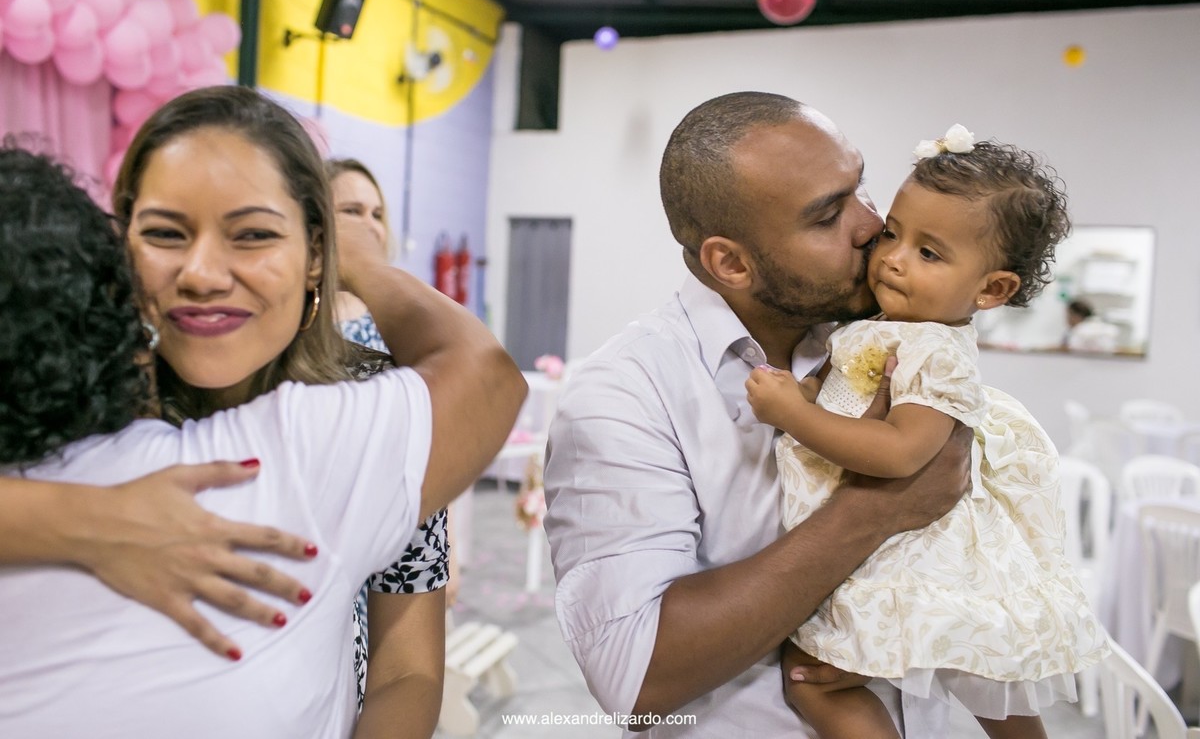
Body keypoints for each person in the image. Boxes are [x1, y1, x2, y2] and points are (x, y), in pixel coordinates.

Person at [0, 143, 526, 737]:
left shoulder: (371, 403)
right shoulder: (86, 409)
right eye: (167, 233)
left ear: (315, 255)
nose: (203, 273)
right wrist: (79, 517)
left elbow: (408, 670)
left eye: (252, 235)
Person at [543, 92, 973, 737]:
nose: (871, 225)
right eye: (828, 215)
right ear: (732, 263)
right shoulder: (624, 394)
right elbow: (636, 676)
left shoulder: (889, 335)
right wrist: (877, 507)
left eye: (861, 187)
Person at [745, 126, 1108, 739]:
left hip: (908, 555)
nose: (892, 257)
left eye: (929, 253)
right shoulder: (884, 327)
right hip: (878, 541)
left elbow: (902, 451)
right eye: (892, 233)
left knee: (815, 678)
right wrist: (806, 394)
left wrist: (794, 416)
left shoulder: (936, 352)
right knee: (981, 677)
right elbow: (844, 401)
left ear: (992, 289)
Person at [325, 156, 456, 715]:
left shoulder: (396, 322)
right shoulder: (296, 329)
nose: (369, 224)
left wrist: (441, 555)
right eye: (351, 211)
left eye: (377, 213)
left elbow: (439, 435)